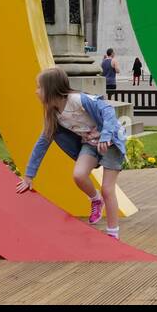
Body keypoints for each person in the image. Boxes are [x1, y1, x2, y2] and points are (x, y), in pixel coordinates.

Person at [15, 67, 127, 240]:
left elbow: (108, 110)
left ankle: (113, 233)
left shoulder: (77, 100)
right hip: (90, 143)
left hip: (110, 141)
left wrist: (105, 136)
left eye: (39, 87)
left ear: (51, 88)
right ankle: (95, 199)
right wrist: (29, 176)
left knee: (107, 189)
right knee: (79, 175)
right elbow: (42, 144)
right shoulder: (53, 114)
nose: (36, 91)